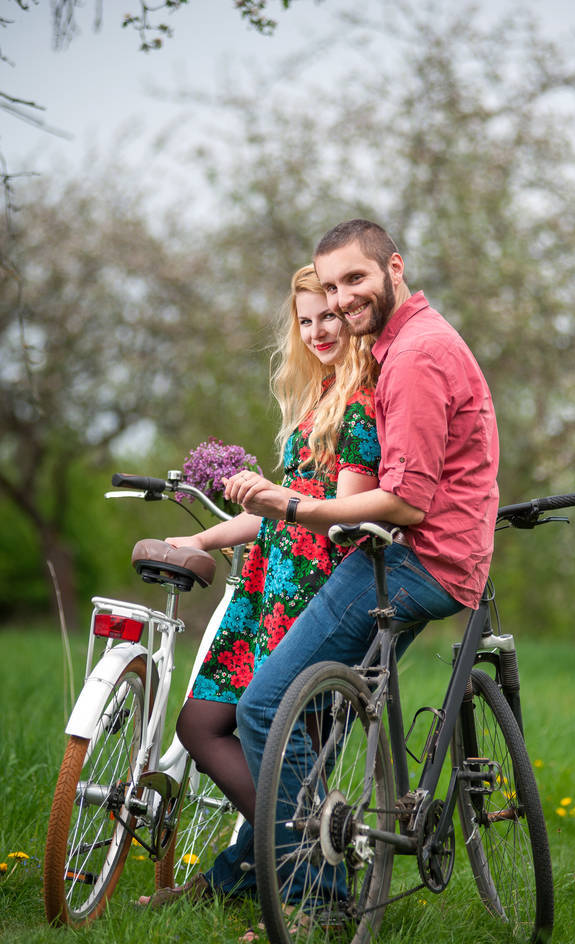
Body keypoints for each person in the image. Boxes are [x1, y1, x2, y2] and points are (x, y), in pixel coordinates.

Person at [150, 218, 499, 908]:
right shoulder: (398, 348)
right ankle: (248, 873)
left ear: (393, 267)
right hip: (409, 555)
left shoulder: (414, 356)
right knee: (274, 718)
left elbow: (402, 500)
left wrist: (292, 507)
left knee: (266, 708)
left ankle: (320, 896)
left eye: (353, 280)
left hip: (411, 561)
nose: (339, 301)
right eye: (329, 287)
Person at [139, 263, 380, 907]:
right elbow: (279, 504)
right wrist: (203, 539)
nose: (318, 329)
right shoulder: (319, 397)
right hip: (266, 584)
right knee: (201, 723)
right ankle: (294, 848)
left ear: (352, 315)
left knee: (266, 732)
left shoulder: (361, 400)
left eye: (329, 315)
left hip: (312, 589)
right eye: (305, 320)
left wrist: (280, 505)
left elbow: (340, 510)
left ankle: (292, 869)